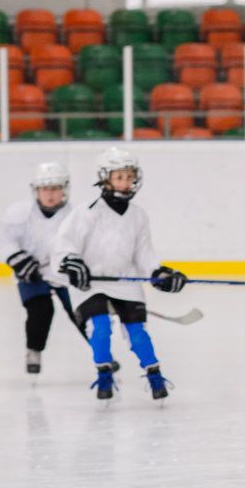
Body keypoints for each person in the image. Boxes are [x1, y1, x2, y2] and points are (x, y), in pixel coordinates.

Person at [52, 147, 188, 401]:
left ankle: (155, 376)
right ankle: (104, 376)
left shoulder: (138, 215)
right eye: (119, 177)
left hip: (125, 281)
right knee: (101, 329)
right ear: (105, 178)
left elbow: (144, 254)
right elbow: (64, 246)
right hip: (90, 284)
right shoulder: (86, 212)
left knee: (138, 334)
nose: (125, 182)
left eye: (129, 176)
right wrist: (71, 263)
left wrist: (158, 273)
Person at [0, 162, 80, 374]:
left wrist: (75, 263)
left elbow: (83, 246)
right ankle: (34, 350)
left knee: (80, 311)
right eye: (45, 189)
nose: (50, 194)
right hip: (31, 275)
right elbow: (3, 241)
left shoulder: (77, 217)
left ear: (65, 190)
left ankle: (102, 354)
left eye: (55, 188)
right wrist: (17, 258)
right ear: (36, 190)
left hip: (62, 275)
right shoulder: (20, 212)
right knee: (41, 311)